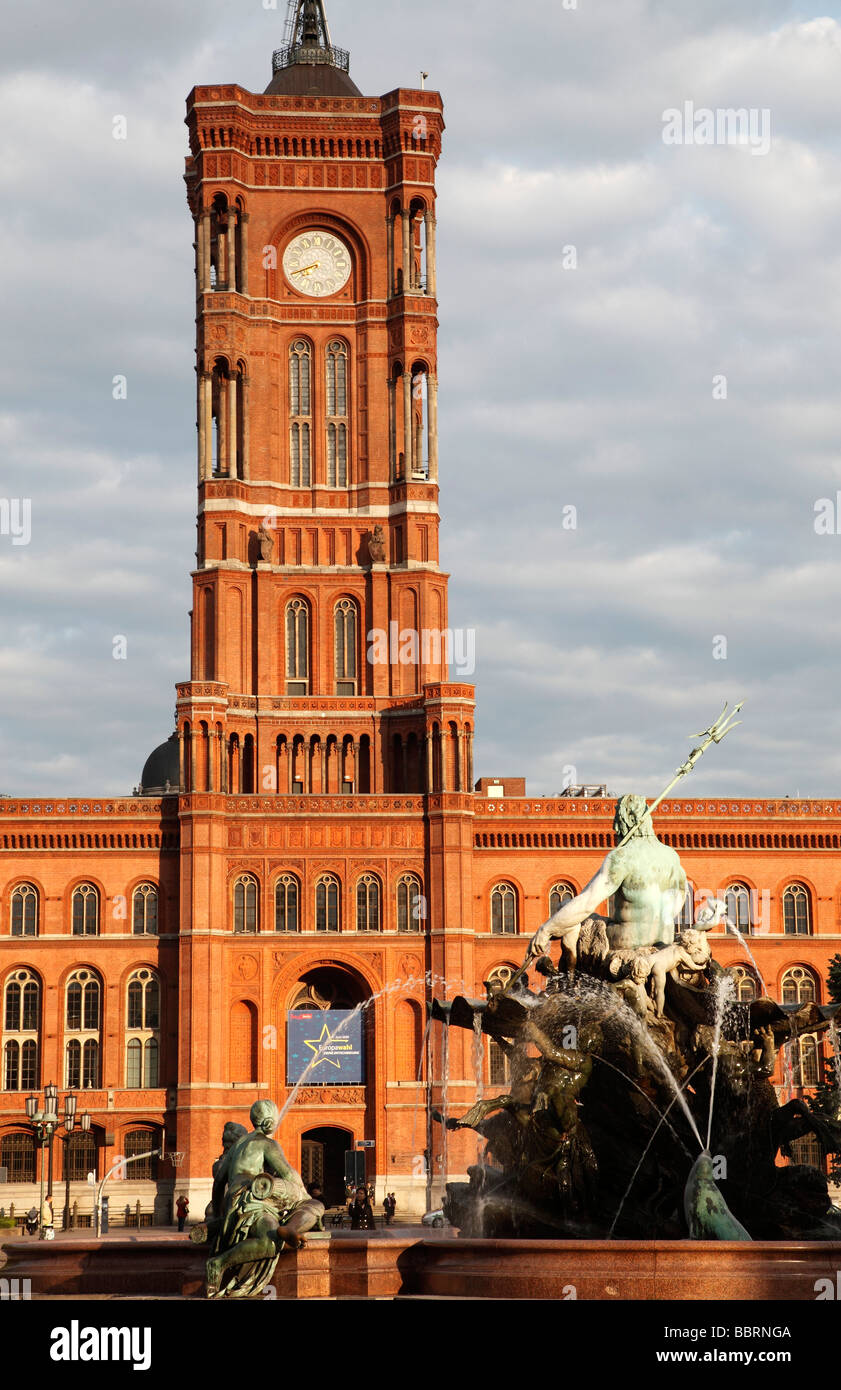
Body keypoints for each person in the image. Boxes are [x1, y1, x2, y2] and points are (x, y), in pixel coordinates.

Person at [527, 793, 687, 970]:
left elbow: (587, 904)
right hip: (664, 939)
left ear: (625, 821)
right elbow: (680, 896)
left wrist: (546, 930)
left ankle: (569, 981)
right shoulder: (671, 855)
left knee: (567, 909)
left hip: (626, 940)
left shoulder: (622, 857)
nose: (614, 827)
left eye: (617, 821)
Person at [206, 1099, 324, 1298]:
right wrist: (302, 1194)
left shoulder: (237, 1147)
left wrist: (218, 1217)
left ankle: (219, 1263)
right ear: (271, 1120)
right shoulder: (267, 1143)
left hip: (236, 1202)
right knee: (313, 1206)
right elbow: (287, 1173)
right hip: (253, 1199)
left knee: (269, 1236)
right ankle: (218, 1263)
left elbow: (218, 1183)